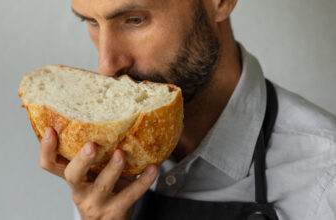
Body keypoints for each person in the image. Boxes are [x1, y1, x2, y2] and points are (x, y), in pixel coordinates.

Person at [38, 0, 336, 219]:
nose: (107, 64)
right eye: (91, 22)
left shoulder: (326, 176)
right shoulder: (106, 155)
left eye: (135, 20)